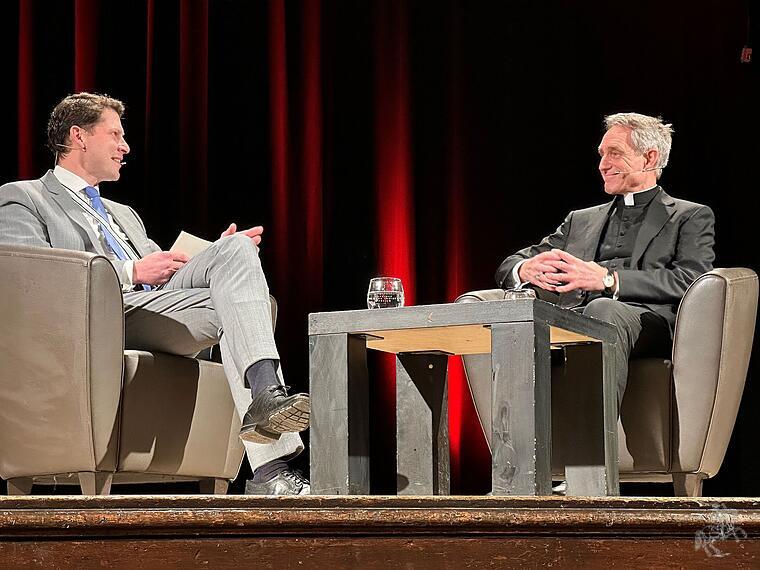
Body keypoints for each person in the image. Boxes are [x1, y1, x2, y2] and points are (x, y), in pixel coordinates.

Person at [0, 92, 310, 495]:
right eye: (115, 135)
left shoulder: (123, 213)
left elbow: (163, 276)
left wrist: (219, 255)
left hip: (149, 308)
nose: (125, 146)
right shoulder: (24, 196)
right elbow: (30, 281)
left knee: (235, 255)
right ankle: (271, 456)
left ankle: (267, 421)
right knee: (234, 285)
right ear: (78, 136)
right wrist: (130, 270)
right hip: (96, 322)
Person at [494, 112, 715, 404]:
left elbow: (691, 279)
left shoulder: (689, 216)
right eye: (601, 154)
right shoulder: (580, 220)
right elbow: (513, 263)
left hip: (649, 323)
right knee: (521, 319)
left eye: (615, 153)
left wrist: (609, 280)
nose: (602, 165)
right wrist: (525, 269)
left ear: (649, 159)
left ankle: (592, 447)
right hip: (579, 316)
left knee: (603, 310)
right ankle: (514, 443)